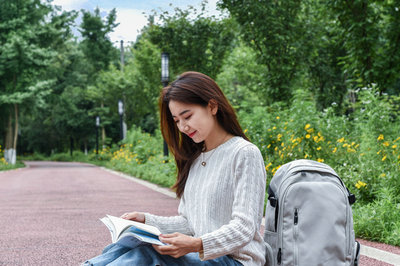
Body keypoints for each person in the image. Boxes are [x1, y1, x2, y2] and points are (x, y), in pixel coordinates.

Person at [83, 71, 267, 266]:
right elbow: (190, 223)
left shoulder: (244, 153)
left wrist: (196, 244)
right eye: (176, 120)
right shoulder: (196, 158)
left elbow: (244, 227)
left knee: (148, 255)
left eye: (187, 116)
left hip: (235, 261)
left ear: (212, 106)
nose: (182, 127)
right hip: (203, 257)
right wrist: (146, 221)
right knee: (128, 244)